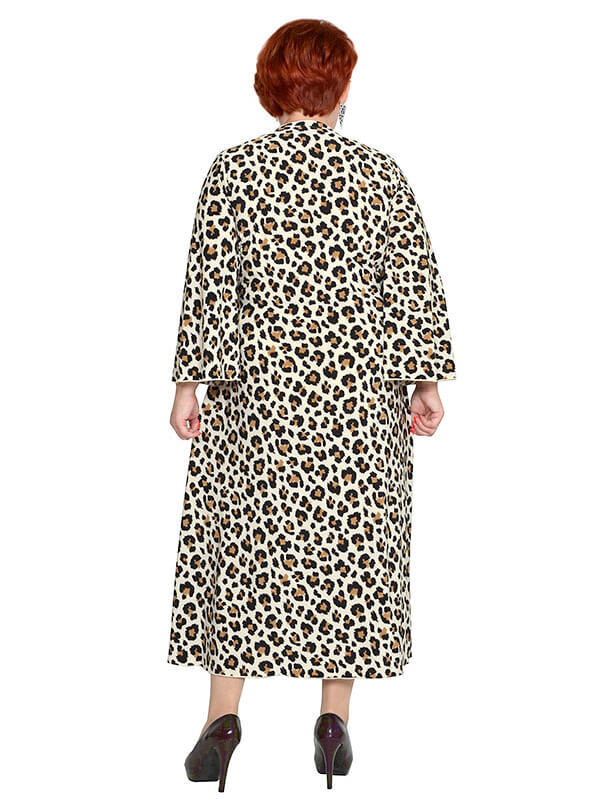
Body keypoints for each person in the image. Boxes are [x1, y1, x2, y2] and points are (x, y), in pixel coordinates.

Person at [167, 17, 457, 792]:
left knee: (241, 547)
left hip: (257, 401)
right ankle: (333, 722)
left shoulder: (233, 171)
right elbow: (415, 288)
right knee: (349, 554)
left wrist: (187, 386)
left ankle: (221, 721)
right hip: (358, 407)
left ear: (272, 85)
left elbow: (208, 289)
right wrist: (426, 384)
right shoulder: (380, 175)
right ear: (340, 86)